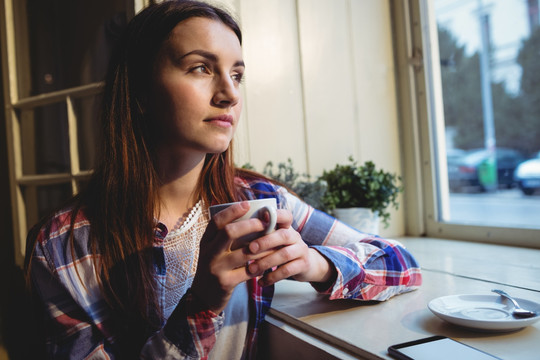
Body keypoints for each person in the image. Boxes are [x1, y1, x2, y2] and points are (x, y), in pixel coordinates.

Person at [24, 1, 422, 359]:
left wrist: (318, 264)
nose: (229, 94)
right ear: (140, 90)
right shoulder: (61, 247)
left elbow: (402, 264)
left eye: (237, 74)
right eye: (201, 68)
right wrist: (202, 305)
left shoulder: (261, 202)